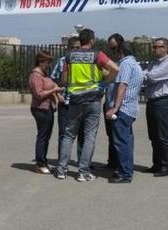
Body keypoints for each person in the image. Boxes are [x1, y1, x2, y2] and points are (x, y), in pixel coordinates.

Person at [55, 28, 118, 182]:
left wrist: (71, 85)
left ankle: (61, 170)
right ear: (91, 40)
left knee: (69, 134)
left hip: (75, 99)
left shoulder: (69, 56)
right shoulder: (97, 54)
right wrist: (105, 82)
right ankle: (83, 171)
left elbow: (64, 80)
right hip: (92, 98)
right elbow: (115, 68)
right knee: (89, 135)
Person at [104, 38, 145, 183]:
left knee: (121, 142)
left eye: (115, 50)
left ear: (120, 51)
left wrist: (115, 107)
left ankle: (125, 173)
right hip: (130, 108)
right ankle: (125, 168)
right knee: (126, 141)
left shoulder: (126, 64)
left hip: (123, 109)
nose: (114, 53)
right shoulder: (135, 64)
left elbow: (123, 85)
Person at [143, 37, 168, 177]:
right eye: (154, 47)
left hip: (163, 102)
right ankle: (156, 164)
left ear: (166, 48)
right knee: (154, 135)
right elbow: (145, 73)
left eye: (158, 47)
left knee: (163, 136)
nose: (155, 49)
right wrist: (145, 74)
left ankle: (166, 166)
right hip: (152, 101)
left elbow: (150, 77)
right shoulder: (154, 62)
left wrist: (145, 75)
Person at [50, 36, 84, 164]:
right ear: (68, 48)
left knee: (82, 134)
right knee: (63, 134)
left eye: (78, 47)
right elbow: (52, 80)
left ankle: (83, 161)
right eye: (73, 47)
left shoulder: (85, 62)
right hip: (65, 104)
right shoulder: (62, 61)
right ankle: (62, 161)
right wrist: (58, 96)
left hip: (80, 102)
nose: (76, 50)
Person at [28, 51, 62, 174]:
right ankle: (40, 164)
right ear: (41, 61)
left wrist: (57, 93)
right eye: (48, 62)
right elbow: (38, 94)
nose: (49, 65)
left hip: (48, 108)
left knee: (46, 136)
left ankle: (43, 162)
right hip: (40, 108)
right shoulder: (35, 75)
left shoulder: (44, 74)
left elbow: (52, 85)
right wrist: (54, 90)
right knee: (42, 136)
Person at [103, 33, 125, 174]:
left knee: (119, 136)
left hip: (117, 103)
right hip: (108, 101)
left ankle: (120, 164)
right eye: (110, 47)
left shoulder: (124, 60)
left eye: (114, 46)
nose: (112, 49)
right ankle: (112, 161)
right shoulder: (110, 59)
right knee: (111, 135)